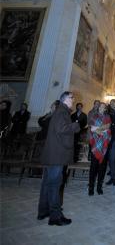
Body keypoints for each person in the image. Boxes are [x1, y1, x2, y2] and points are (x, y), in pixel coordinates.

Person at [37, 91, 80, 226]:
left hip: (53, 154)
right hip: (57, 154)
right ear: (66, 99)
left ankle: (43, 211)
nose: (73, 100)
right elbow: (62, 129)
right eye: (72, 98)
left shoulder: (59, 111)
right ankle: (55, 217)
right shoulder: (62, 112)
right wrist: (76, 125)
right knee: (55, 184)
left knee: (47, 184)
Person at [88, 102, 111, 196]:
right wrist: (101, 130)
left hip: (104, 145)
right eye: (101, 106)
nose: (102, 108)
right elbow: (91, 128)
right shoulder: (93, 116)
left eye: (104, 107)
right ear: (98, 108)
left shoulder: (107, 117)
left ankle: (99, 187)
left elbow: (108, 129)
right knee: (93, 167)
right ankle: (91, 187)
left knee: (102, 167)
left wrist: (97, 129)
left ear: (105, 109)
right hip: (95, 145)